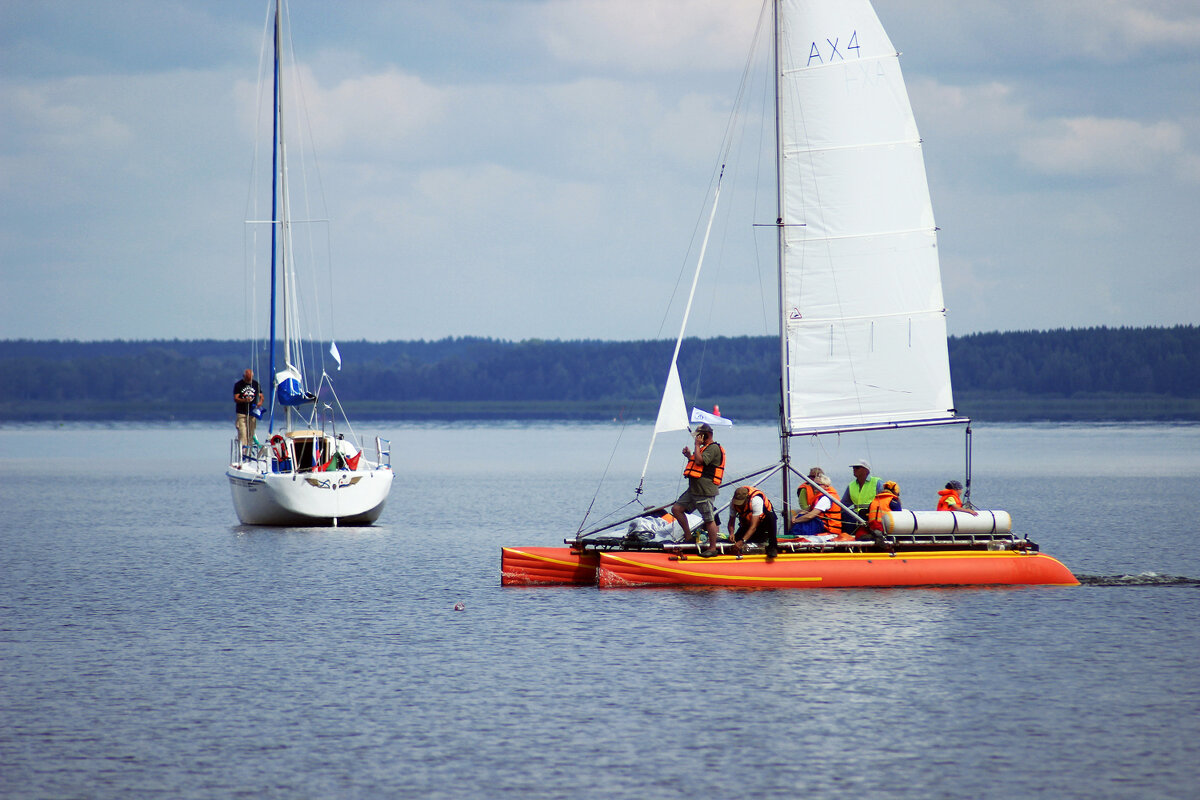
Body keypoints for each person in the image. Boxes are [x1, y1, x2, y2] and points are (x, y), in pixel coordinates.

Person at [671, 423, 725, 556]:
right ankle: (688, 537)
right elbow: (698, 463)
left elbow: (700, 462)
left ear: (705, 435)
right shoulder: (703, 448)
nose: (697, 439)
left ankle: (712, 548)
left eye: (699, 436)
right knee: (677, 509)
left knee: (708, 519)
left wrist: (696, 445)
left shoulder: (713, 448)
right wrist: (689, 455)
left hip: (704, 491)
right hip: (693, 489)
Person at [788, 474, 845, 539]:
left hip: (826, 527)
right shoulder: (819, 497)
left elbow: (810, 516)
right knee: (800, 516)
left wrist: (795, 520)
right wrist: (797, 515)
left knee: (800, 523)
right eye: (813, 484)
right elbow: (808, 509)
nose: (815, 487)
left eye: (818, 485)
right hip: (819, 523)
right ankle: (792, 535)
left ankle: (792, 538)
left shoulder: (826, 498)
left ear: (826, 486)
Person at [727, 485, 777, 552]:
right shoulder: (733, 503)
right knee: (736, 540)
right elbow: (731, 521)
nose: (739, 505)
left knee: (770, 517)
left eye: (741, 503)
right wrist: (731, 533)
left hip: (762, 523)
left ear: (747, 498)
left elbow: (753, 527)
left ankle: (772, 547)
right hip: (747, 523)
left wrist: (742, 541)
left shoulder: (756, 500)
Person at [233, 368, 264, 456]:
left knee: (251, 432)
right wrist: (244, 400)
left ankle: (249, 452)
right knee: (243, 432)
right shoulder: (238, 385)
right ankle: (243, 451)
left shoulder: (255, 384)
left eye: (250, 379)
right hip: (241, 412)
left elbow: (261, 396)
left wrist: (260, 402)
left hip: (252, 412)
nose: (249, 381)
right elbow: (236, 398)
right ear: (244, 377)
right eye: (247, 379)